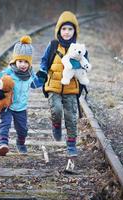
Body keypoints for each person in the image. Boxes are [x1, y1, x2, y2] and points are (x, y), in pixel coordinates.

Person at [36, 11, 88, 157]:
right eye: (64, 29)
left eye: (70, 29)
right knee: (57, 110)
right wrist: (42, 71)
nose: (66, 32)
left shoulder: (79, 48)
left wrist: (83, 68)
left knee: (71, 117)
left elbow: (85, 65)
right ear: (59, 30)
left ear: (75, 31)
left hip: (71, 88)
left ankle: (71, 145)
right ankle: (56, 124)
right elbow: (44, 61)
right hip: (53, 85)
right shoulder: (53, 45)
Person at [0, 35, 42, 156]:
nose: (23, 64)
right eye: (20, 61)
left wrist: (42, 78)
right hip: (7, 105)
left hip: (21, 107)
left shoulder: (30, 73)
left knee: (23, 129)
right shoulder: (8, 72)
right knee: (5, 124)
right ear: (15, 61)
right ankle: (3, 144)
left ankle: (21, 143)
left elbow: (35, 84)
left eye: (26, 62)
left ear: (29, 63)